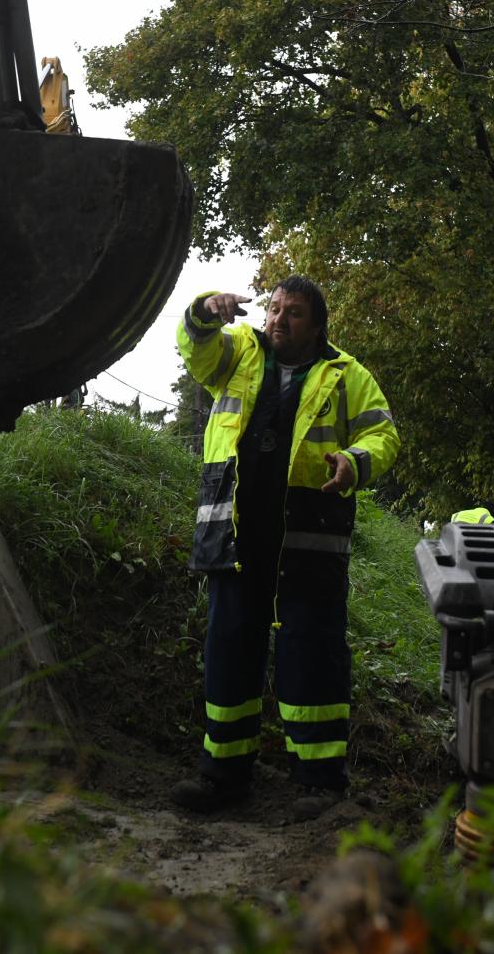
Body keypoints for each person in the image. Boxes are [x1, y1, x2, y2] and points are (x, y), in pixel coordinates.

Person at [169, 275, 401, 816]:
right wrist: (204, 309)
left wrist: (356, 461)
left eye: (292, 312)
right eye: (273, 308)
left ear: (318, 326)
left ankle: (320, 786)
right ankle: (222, 776)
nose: (277, 319)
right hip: (235, 527)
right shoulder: (239, 353)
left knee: (312, 647)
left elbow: (384, 435)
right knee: (229, 643)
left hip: (309, 532)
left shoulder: (348, 375)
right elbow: (194, 347)